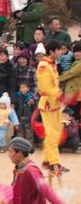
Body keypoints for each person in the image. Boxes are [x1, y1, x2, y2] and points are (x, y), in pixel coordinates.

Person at [37, 40, 67, 174]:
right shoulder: (44, 65)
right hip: (48, 103)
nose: (61, 52)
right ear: (51, 52)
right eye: (59, 50)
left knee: (57, 132)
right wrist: (59, 95)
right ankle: (54, 162)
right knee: (52, 134)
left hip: (54, 103)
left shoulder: (52, 63)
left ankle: (47, 160)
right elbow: (44, 88)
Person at [60, 42, 81, 111]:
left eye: (79, 51)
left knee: (74, 115)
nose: (76, 53)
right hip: (74, 93)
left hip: (76, 94)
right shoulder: (76, 62)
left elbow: (71, 73)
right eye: (75, 51)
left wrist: (56, 79)